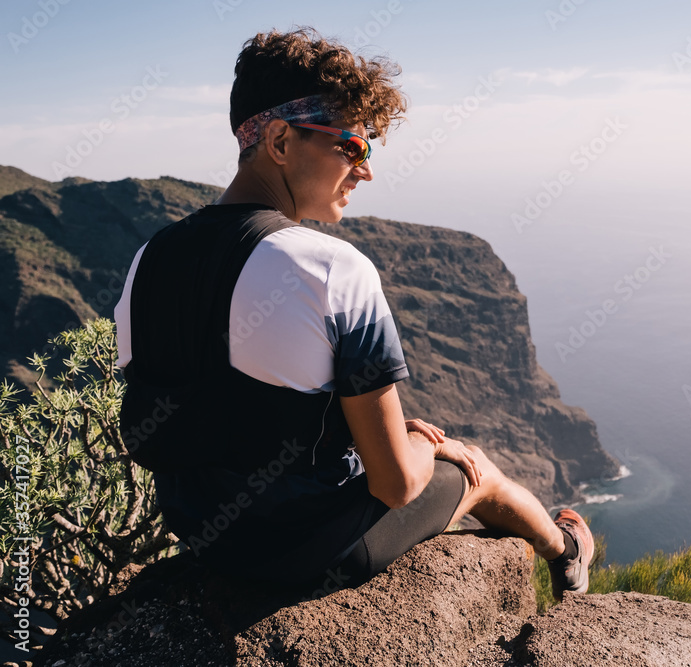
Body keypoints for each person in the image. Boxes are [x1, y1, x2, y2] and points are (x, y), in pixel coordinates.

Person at [113, 27, 592, 601]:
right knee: (476, 470)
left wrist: (362, 434)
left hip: (200, 538)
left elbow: (215, 407)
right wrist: (428, 447)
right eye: (353, 146)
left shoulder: (149, 258)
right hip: (302, 554)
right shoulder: (332, 268)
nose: (365, 170)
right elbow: (395, 485)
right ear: (281, 140)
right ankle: (569, 552)